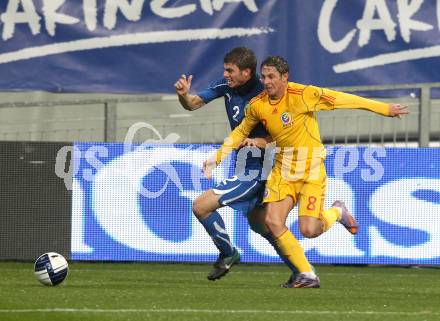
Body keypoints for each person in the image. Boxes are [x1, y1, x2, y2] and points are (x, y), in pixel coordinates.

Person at [204, 55, 409, 288]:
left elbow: (343, 99)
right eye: (264, 76)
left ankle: (336, 212)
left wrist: (384, 108)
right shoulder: (257, 104)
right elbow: (240, 133)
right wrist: (216, 158)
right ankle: (306, 275)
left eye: (271, 77)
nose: (267, 81)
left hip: (311, 171)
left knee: (309, 230)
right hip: (282, 171)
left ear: (285, 77)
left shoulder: (304, 95)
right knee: (272, 222)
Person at [174, 47, 287, 281]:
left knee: (201, 206)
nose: (226, 74)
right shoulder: (226, 87)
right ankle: (301, 272)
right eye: (225, 70)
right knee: (263, 225)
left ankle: (228, 254)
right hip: (244, 165)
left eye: (230, 70)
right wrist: (184, 95)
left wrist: (260, 141)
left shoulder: (265, 93)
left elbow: (285, 135)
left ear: (246, 72)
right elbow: (193, 104)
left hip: (262, 168)